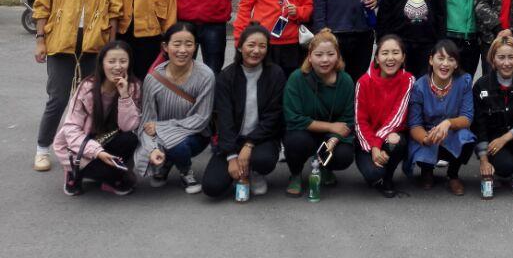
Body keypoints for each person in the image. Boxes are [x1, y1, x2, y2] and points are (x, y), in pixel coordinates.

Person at [33, 0, 122, 172]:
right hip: (61, 41)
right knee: (58, 98)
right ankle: (42, 149)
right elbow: (43, 4)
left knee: (93, 100)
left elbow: (114, 9)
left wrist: (112, 46)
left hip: (95, 43)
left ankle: (85, 149)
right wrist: (41, 40)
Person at [201, 25, 286, 199]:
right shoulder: (226, 76)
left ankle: (255, 172)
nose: (256, 51)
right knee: (212, 187)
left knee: (263, 160)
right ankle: (239, 172)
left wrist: (249, 144)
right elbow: (224, 119)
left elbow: (273, 116)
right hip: (233, 139)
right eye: (251, 45)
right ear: (240, 47)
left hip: (262, 138)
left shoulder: (275, 74)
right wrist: (231, 156)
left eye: (262, 46)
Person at [134, 22, 215, 194]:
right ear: (165, 46)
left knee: (178, 145)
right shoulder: (153, 78)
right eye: (177, 44)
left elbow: (201, 119)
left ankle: (185, 171)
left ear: (195, 46)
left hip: (195, 134)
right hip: (160, 134)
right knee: (152, 148)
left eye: (189, 44)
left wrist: (161, 127)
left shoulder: (206, 76)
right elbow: (147, 122)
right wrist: (152, 148)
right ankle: (167, 161)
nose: (183, 50)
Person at [54, 40, 141, 196]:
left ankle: (108, 177)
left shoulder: (133, 87)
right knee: (110, 173)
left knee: (130, 139)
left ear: (129, 63)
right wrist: (97, 152)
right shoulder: (87, 87)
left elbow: (129, 127)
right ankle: (73, 173)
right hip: (80, 145)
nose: (117, 66)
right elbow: (71, 129)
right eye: (111, 61)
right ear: (102, 63)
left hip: (109, 139)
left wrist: (124, 95)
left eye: (123, 61)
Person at [282, 29, 356, 195]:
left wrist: (333, 140)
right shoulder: (297, 78)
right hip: (304, 132)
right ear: (309, 56)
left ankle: (324, 166)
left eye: (330, 54)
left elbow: (348, 119)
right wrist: (330, 127)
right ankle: (295, 174)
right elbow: (293, 118)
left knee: (344, 155)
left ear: (338, 56)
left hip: (331, 135)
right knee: (295, 141)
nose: (325, 60)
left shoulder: (346, 81)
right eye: (319, 54)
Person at [407, 39, 476, 195]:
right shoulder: (419, 86)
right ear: (431, 60)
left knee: (466, 137)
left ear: (456, 64)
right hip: (428, 133)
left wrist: (448, 123)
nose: (445, 64)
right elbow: (414, 125)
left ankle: (453, 175)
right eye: (441, 58)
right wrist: (426, 138)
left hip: (451, 131)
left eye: (451, 59)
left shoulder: (464, 81)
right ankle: (426, 171)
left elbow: (467, 117)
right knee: (419, 141)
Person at [472, 36, 513, 197]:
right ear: (493, 59)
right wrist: (484, 160)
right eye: (501, 57)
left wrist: (505, 138)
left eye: (511, 57)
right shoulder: (481, 85)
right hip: (492, 141)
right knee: (505, 167)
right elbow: (479, 124)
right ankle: (500, 170)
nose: (506, 63)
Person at [354, 34, 416, 197]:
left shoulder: (408, 80)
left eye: (395, 52)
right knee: (373, 174)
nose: (390, 58)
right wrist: (373, 147)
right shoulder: (363, 82)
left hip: (391, 135)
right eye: (385, 53)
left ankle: (388, 178)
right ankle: (378, 175)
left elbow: (397, 118)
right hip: (367, 140)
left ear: (403, 57)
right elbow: (360, 121)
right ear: (377, 58)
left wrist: (378, 145)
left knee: (397, 141)